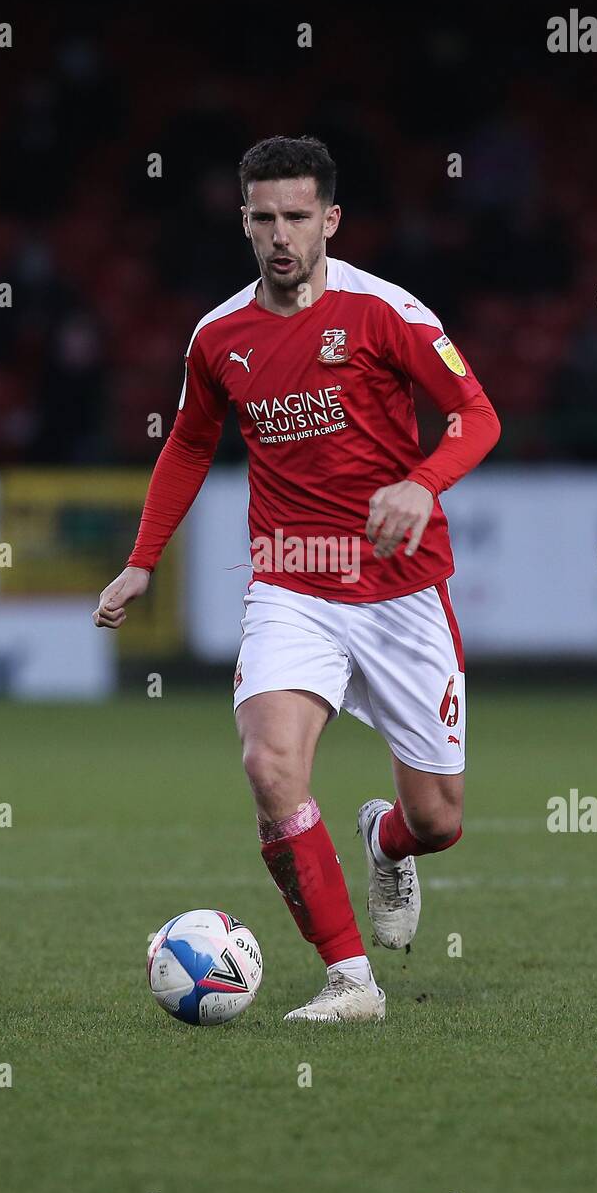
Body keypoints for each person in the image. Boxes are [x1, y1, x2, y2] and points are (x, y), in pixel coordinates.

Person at [94, 136, 500, 1022]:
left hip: (401, 590)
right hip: (291, 582)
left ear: (331, 220)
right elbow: (192, 442)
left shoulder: (386, 311)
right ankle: (351, 980)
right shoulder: (219, 335)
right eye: (264, 217)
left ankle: (383, 841)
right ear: (243, 220)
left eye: (298, 217)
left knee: (437, 821)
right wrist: (140, 561)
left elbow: (477, 415)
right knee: (269, 764)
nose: (282, 235)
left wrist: (420, 483)